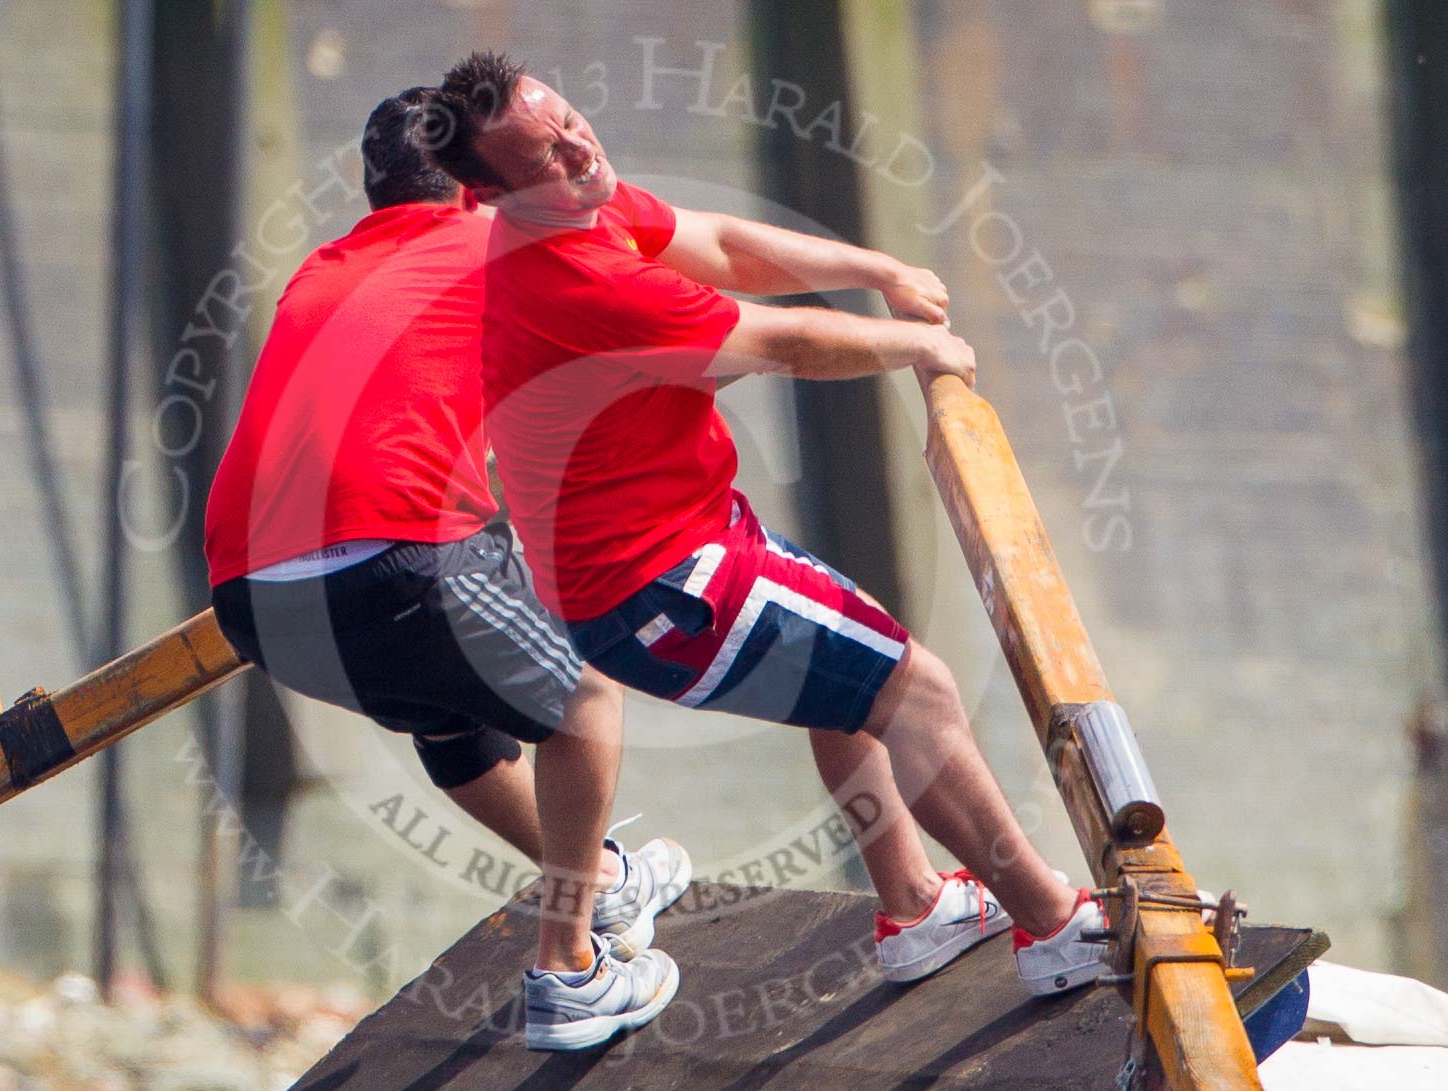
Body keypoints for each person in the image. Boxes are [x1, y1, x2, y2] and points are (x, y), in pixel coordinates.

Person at [428, 53, 1111, 1018]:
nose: (579, 148)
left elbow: (721, 243)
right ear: (493, 193)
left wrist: (880, 271)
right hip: (667, 587)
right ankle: (1057, 925)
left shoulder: (590, 208)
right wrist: (922, 344)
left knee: (849, 684)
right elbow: (779, 342)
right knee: (917, 691)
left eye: (571, 120)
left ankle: (915, 906)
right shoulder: (574, 277)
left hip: (676, 554)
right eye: (546, 154)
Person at [203, 88, 689, 1050]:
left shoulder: (320, 270)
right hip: (392, 560)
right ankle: (569, 968)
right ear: (476, 187)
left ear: (371, 187)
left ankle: (602, 879)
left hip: (251, 600)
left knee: (447, 713)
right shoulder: (495, 243)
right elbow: (660, 273)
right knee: (584, 700)